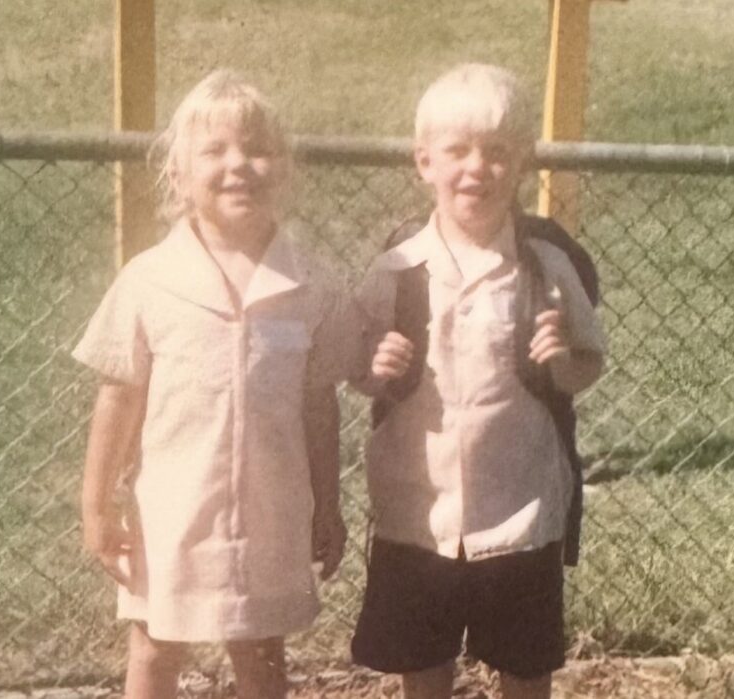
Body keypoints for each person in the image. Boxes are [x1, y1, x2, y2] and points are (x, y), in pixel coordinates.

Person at [73, 70, 354, 699]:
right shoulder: (149, 281)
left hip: (271, 511)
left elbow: (319, 405)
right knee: (155, 646)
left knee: (261, 651)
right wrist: (96, 507)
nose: (238, 165)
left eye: (257, 150)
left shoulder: (310, 285)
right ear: (178, 177)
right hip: (173, 510)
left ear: (284, 170)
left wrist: (327, 505)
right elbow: (118, 395)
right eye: (215, 151)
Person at [350, 63, 606, 699]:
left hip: (518, 511)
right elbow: (358, 366)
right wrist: (374, 367)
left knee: (524, 665)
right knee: (422, 660)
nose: (477, 168)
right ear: (424, 162)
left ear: (521, 163)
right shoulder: (397, 269)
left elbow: (587, 361)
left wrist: (559, 362)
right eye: (457, 151)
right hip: (418, 511)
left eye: (496, 152)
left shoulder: (546, 266)